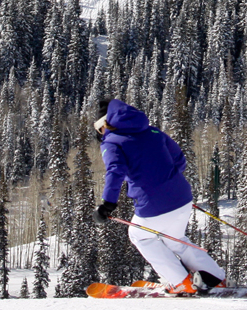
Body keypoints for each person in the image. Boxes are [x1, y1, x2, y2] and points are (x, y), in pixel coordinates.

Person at [92, 98, 226, 295]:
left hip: (153, 204)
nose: (99, 134)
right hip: (182, 197)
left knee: (139, 236)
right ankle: (215, 278)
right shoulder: (153, 131)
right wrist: (167, 181)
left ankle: (180, 282)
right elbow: (179, 159)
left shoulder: (112, 142)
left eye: (98, 128)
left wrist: (107, 205)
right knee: (175, 238)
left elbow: (114, 171)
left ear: (105, 123)